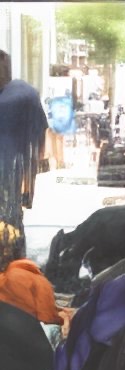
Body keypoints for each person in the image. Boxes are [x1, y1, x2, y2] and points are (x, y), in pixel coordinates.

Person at [0, 50, 48, 271]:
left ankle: (12, 266)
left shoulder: (18, 95)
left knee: (9, 218)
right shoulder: (22, 93)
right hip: (10, 171)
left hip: (9, 171)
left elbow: (39, 130)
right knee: (10, 218)